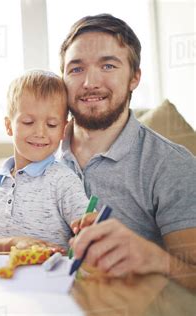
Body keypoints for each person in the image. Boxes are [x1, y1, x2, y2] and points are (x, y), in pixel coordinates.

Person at [60, 14, 196, 287]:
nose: (89, 83)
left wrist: (155, 258)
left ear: (134, 77)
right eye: (76, 69)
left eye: (108, 65)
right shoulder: (37, 151)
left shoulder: (172, 165)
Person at [0, 70, 93, 253]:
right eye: (28, 122)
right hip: (4, 278)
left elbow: (89, 230)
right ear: (9, 126)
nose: (40, 133)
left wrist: (91, 226)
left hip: (52, 278)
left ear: (62, 130)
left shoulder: (63, 180)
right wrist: (12, 243)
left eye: (51, 125)